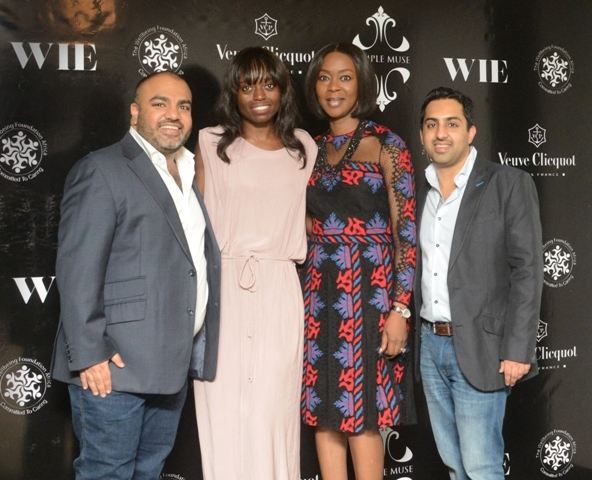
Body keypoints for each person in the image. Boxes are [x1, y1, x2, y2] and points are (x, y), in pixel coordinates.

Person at [51, 71, 221, 480]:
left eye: (183, 106)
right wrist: (89, 354)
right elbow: (77, 269)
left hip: (170, 367)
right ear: (134, 112)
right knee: (106, 473)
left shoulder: (188, 172)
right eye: (160, 103)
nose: (173, 114)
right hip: (113, 366)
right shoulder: (102, 169)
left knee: (148, 472)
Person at [192, 47, 317, 480]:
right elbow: (194, 221)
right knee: (222, 405)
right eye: (247, 86)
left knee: (271, 408)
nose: (258, 95)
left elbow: (311, 216)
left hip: (280, 288)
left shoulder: (303, 147)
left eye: (268, 84)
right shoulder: (210, 143)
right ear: (234, 93)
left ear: (283, 90)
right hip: (222, 286)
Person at [414, 87, 543, 480]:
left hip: (482, 347)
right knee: (455, 466)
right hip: (430, 347)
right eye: (432, 125)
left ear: (470, 132)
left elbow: (527, 270)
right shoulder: (418, 191)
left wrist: (517, 349)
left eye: (452, 124)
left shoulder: (508, 183)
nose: (441, 133)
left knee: (481, 467)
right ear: (422, 135)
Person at [300, 43, 417, 480]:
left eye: (345, 77)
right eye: (324, 77)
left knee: (362, 409)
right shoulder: (307, 148)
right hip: (318, 295)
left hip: (372, 296)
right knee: (323, 408)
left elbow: (406, 234)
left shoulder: (387, 144)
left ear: (362, 83)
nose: (334, 87)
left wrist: (400, 308)